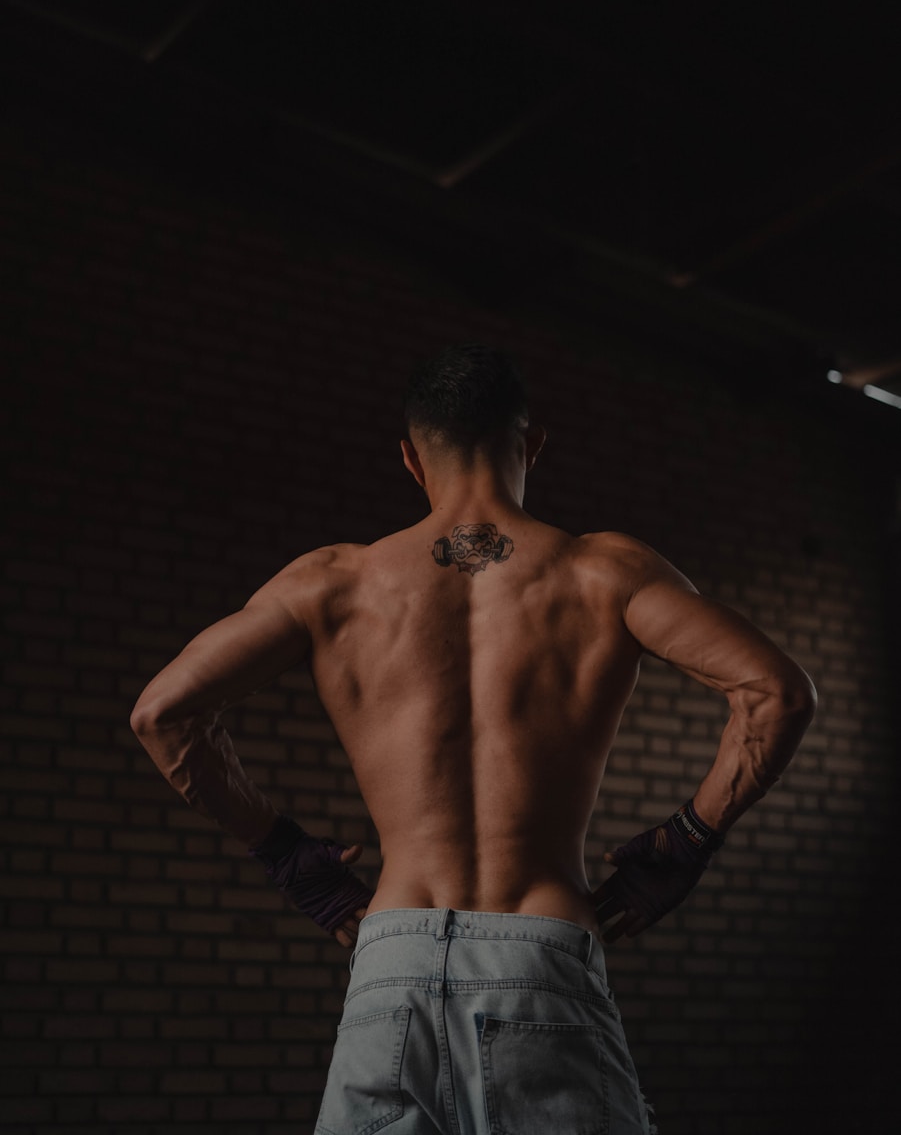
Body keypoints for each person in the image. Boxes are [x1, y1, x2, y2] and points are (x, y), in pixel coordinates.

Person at [131, 344, 816, 1134]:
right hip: (539, 949)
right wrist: (686, 840)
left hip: (391, 958)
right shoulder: (604, 571)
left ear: (410, 459)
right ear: (532, 446)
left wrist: (288, 856)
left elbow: (163, 714)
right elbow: (776, 693)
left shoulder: (332, 582)